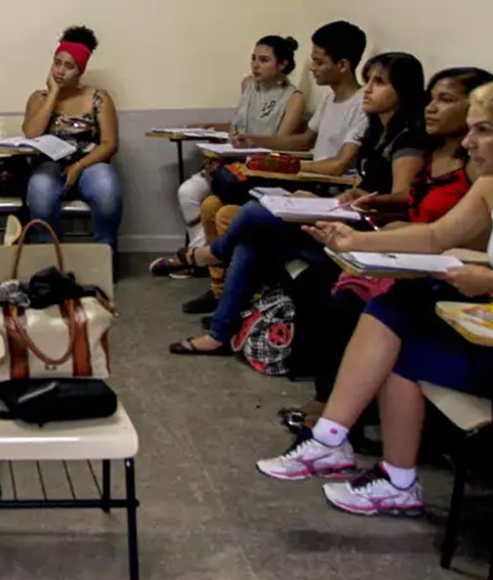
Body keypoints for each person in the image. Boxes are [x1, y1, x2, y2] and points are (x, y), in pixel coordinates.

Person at [255, 77, 493, 517]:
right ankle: (337, 442)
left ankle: (380, 470)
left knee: (404, 349)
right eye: (470, 129)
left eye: (484, 130)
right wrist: (352, 241)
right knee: (398, 304)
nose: (468, 142)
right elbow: (435, 236)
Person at [169, 51, 427, 355]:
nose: (368, 88)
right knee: (250, 235)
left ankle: (212, 257)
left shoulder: (408, 140)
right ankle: (220, 332)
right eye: (368, 79)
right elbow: (359, 179)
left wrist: (353, 200)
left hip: (363, 233)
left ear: (404, 91)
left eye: (379, 82)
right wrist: (327, 199)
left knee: (253, 213)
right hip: (340, 212)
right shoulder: (377, 132)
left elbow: (402, 198)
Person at [299, 66, 493, 420]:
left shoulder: (483, 172)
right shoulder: (429, 150)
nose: (432, 108)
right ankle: (334, 412)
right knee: (318, 285)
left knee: (356, 305)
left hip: (444, 268)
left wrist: (369, 235)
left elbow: (446, 232)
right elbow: (422, 212)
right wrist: (375, 204)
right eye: (431, 98)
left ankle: (342, 417)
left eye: (446, 100)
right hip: (411, 250)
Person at [176, 21, 371, 314]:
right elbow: (305, 140)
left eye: (318, 62)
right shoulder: (330, 99)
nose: (312, 69)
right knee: (209, 204)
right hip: (305, 182)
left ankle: (224, 283)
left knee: (229, 213)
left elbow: (340, 165)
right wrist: (257, 142)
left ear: (342, 65)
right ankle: (219, 291)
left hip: (323, 192)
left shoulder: (360, 105)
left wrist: (289, 169)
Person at [150, 34, 305, 279]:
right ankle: (201, 256)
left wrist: (245, 147)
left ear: (282, 64)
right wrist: (205, 127)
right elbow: (237, 129)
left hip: (259, 168)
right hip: (229, 160)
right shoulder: (247, 85)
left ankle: (196, 258)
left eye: (263, 60)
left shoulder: (294, 98)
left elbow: (279, 145)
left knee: (217, 198)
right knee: (188, 192)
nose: (255, 65)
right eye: (253, 58)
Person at [22, 25, 121, 248]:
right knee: (39, 190)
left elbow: (110, 144)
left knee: (107, 190)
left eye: (69, 66)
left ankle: (104, 255)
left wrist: (79, 166)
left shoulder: (99, 98)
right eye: (57, 63)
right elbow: (32, 133)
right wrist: (54, 94)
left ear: (80, 71)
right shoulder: (39, 98)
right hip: (50, 164)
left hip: (90, 163)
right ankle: (52, 257)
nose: (60, 71)